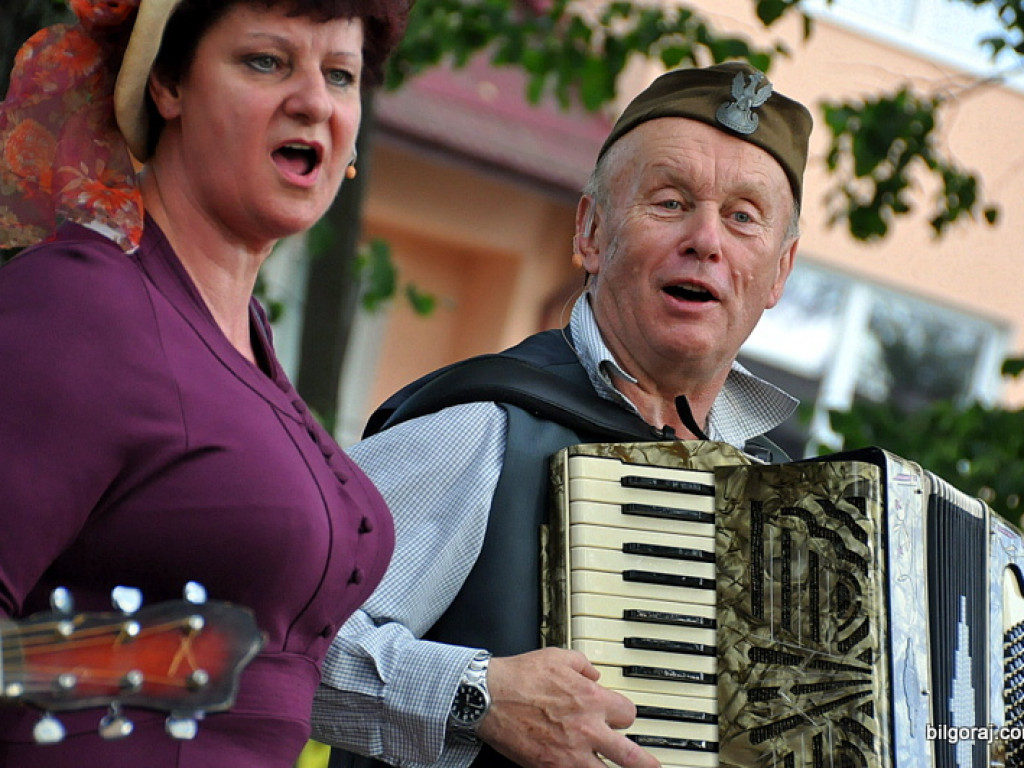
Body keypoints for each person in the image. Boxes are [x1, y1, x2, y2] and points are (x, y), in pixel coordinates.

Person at [312, 62, 813, 768]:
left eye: (743, 218)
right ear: (591, 233)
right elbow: (266, 631)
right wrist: (477, 697)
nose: (707, 239)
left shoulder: (791, 508)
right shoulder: (481, 427)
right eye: (670, 202)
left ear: (780, 272)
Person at [0, 0, 408, 765]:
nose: (314, 102)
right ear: (167, 83)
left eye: (340, 75)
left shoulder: (244, 335)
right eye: (266, 61)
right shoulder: (81, 305)